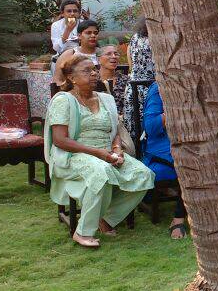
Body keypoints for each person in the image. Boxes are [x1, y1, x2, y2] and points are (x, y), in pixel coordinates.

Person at [44, 54, 155, 248]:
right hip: (74, 155)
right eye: (87, 71)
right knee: (101, 173)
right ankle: (83, 232)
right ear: (71, 78)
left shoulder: (106, 99)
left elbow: (114, 130)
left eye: (94, 69)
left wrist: (117, 149)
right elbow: (60, 140)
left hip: (108, 153)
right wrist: (98, 154)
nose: (94, 73)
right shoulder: (63, 100)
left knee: (144, 175)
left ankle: (107, 219)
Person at [141, 81, 189, 239]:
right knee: (189, 161)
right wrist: (176, 111)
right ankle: (178, 217)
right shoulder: (159, 87)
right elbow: (151, 127)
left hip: (193, 139)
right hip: (163, 145)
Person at [122, 17, 154, 144]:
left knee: (135, 124)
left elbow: (131, 63)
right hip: (150, 87)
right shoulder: (155, 38)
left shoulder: (135, 37)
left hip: (134, 86)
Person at [53, 19, 100, 87]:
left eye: (95, 33)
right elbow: (57, 80)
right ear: (79, 35)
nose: (93, 35)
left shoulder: (103, 53)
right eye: (88, 33)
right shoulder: (69, 54)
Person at [96, 44, 127, 112]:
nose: (114, 56)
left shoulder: (126, 80)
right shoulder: (93, 79)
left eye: (116, 54)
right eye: (108, 54)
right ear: (98, 59)